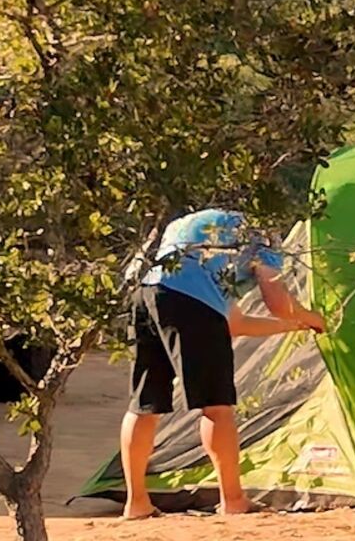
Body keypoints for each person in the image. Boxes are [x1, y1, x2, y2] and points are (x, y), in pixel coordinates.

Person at [119, 208, 325, 520]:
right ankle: (233, 500)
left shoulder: (191, 226)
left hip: (147, 295)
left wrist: (297, 326)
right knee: (216, 407)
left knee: (145, 403)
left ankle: (136, 503)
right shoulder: (259, 233)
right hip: (190, 305)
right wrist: (316, 319)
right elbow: (279, 303)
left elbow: (233, 322)